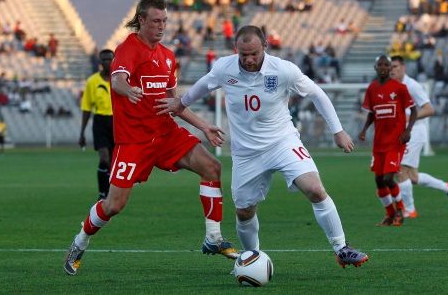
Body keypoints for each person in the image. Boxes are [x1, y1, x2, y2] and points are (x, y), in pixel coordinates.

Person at [156, 25, 369, 269]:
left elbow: (317, 94)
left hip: (282, 142)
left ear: (265, 47)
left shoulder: (283, 70)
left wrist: (338, 130)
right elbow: (203, 86)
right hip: (246, 154)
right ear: (236, 50)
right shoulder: (225, 68)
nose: (248, 59)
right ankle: (252, 259)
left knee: (315, 189)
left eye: (254, 54)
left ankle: (341, 248)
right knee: (244, 212)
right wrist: (180, 102)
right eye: (243, 54)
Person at [64, 0, 237, 276]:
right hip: (134, 142)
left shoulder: (168, 58)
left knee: (212, 167)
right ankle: (79, 242)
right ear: (141, 20)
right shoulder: (128, 49)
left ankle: (213, 238)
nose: (161, 26)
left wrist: (203, 126)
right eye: (156, 21)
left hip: (166, 134)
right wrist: (128, 89)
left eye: (165, 21)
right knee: (114, 204)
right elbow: (118, 79)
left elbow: (174, 103)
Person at [390, 56, 448, 217]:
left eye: (395, 66)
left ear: (403, 67)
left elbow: (429, 109)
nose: (392, 70)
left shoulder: (412, 86)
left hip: (414, 132)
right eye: (390, 67)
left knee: (399, 169)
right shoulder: (392, 86)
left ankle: (409, 209)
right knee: (412, 176)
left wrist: (407, 118)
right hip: (404, 133)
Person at [358, 55, 417, 226]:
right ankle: (390, 214)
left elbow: (413, 111)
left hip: (396, 141)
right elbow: (372, 113)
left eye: (386, 65)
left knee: (388, 178)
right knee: (378, 179)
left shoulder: (399, 88)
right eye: (380, 64)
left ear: (391, 67)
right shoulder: (372, 88)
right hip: (379, 142)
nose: (383, 67)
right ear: (375, 67)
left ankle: (400, 211)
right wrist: (364, 130)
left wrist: (408, 130)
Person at [79, 49, 115, 200]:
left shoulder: (120, 79)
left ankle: (111, 193)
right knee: (104, 159)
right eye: (104, 60)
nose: (107, 62)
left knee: (114, 161)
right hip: (100, 121)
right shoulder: (92, 81)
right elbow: (87, 108)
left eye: (109, 59)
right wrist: (82, 133)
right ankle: (102, 194)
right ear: (100, 62)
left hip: (117, 122)